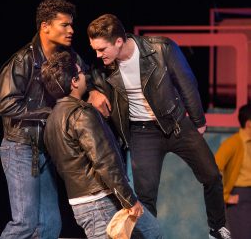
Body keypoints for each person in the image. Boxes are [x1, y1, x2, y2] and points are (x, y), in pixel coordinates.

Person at [86, 13, 231, 239]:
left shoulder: (162, 49)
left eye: (102, 49)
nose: (98, 54)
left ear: (118, 41)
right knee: (145, 197)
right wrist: (93, 91)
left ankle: (218, 229)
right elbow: (86, 77)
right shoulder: (102, 67)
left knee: (211, 175)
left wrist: (198, 121)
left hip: (177, 124)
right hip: (142, 133)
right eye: (95, 49)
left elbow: (187, 82)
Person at [42, 50, 163, 239]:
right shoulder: (81, 114)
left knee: (152, 233)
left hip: (88, 201)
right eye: (81, 73)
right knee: (152, 233)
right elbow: (105, 161)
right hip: (100, 201)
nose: (85, 76)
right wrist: (129, 200)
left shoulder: (51, 120)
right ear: (74, 81)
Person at [0, 0, 86, 239]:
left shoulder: (69, 57)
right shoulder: (23, 60)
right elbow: (5, 104)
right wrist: (49, 114)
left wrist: (96, 91)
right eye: (64, 25)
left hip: (45, 148)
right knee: (25, 222)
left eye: (71, 24)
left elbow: (88, 76)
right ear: (45, 26)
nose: (71, 30)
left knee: (49, 226)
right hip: (20, 146)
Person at [215, 103, 251, 239]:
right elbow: (212, 170)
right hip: (241, 196)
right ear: (248, 124)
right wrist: (224, 196)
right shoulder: (232, 143)